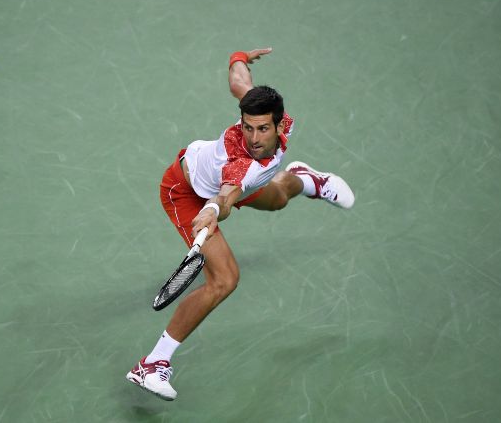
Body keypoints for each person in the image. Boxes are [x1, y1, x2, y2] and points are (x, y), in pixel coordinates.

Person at [125, 47, 355, 400]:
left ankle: (309, 180)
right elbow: (227, 194)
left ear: (281, 124)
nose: (254, 138)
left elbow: (239, 83)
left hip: (231, 187)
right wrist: (213, 211)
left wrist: (239, 56)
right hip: (187, 192)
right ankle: (153, 364)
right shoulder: (240, 164)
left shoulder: (275, 122)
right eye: (247, 128)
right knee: (224, 280)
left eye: (262, 128)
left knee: (279, 198)